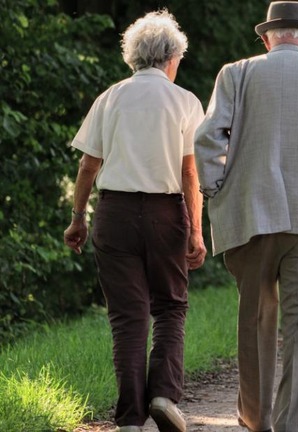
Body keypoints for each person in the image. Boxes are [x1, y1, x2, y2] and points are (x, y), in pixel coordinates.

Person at [194, 2, 298, 431]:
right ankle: (291, 426)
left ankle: (256, 422)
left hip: (251, 214)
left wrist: (216, 191)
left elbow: (208, 138)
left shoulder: (236, 73)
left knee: (254, 321)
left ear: (267, 37)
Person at [63, 10, 206, 432]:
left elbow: (89, 166)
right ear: (171, 57)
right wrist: (197, 230)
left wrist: (78, 219)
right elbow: (189, 174)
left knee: (127, 317)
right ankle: (163, 395)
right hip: (166, 214)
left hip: (115, 213)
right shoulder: (185, 102)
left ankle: (129, 420)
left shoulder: (110, 97)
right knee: (170, 306)